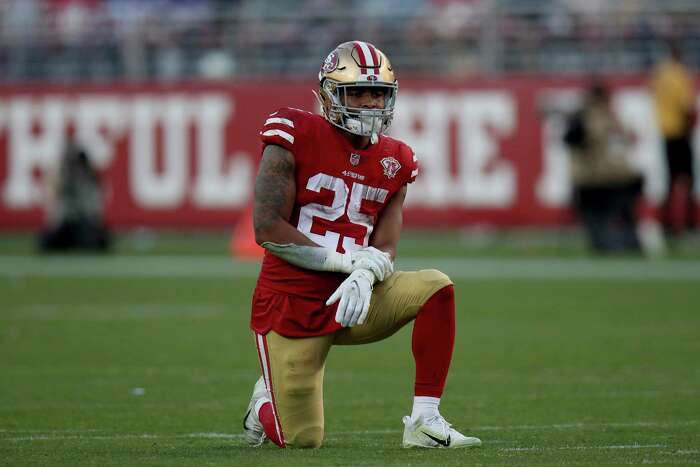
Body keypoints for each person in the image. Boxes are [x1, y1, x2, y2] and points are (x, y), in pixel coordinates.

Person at [241, 41, 481, 449]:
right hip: (291, 304)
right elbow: (266, 228)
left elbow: (385, 244)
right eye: (357, 93)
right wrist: (345, 262)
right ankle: (264, 402)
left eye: (378, 93)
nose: (369, 103)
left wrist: (368, 271)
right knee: (303, 440)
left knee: (437, 287)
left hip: (355, 296)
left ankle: (424, 420)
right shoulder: (293, 132)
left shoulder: (397, 159)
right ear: (329, 94)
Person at [563, 82, 644, 254]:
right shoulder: (588, 117)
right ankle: (619, 241)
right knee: (602, 216)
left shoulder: (600, 116)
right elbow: (572, 139)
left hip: (602, 177)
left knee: (606, 215)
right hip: (596, 177)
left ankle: (620, 241)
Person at [650, 43, 697, 239]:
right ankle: (688, 223)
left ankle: (667, 224)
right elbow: (687, 106)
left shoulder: (660, 74)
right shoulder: (680, 75)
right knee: (687, 179)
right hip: (680, 133)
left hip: (665, 132)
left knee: (669, 181)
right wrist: (690, 127)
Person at [39, 140, 111, 252]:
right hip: (66, 223)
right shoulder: (61, 178)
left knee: (94, 239)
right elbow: (54, 207)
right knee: (48, 240)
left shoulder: (91, 180)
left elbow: (94, 210)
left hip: (84, 223)